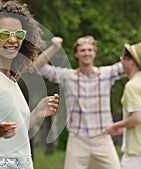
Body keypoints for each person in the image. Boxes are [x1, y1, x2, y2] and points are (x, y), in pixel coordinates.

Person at [0, 1, 59, 169]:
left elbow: (14, 133)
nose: (13, 40)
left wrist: (36, 114)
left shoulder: (11, 78)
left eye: (19, 34)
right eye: (4, 34)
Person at [38, 35, 125, 169]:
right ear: (76, 54)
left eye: (90, 50)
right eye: (83, 50)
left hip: (102, 137)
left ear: (95, 53)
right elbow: (38, 67)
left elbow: (130, 62)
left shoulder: (106, 74)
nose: (87, 53)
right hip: (78, 139)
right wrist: (54, 47)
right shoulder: (68, 76)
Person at [104, 36, 141, 169]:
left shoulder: (132, 86)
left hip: (136, 152)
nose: (122, 62)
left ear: (131, 61)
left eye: (123, 59)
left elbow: (137, 117)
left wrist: (116, 126)